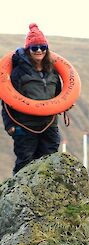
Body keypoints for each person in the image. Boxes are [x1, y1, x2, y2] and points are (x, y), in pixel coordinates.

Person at [2, 23, 62, 174]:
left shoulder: (53, 72)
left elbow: (59, 96)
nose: (39, 50)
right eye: (34, 48)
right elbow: (7, 101)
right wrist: (9, 125)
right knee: (25, 163)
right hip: (24, 126)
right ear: (28, 50)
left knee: (50, 160)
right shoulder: (18, 73)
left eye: (43, 47)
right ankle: (19, 196)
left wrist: (66, 106)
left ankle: (48, 196)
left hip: (49, 124)